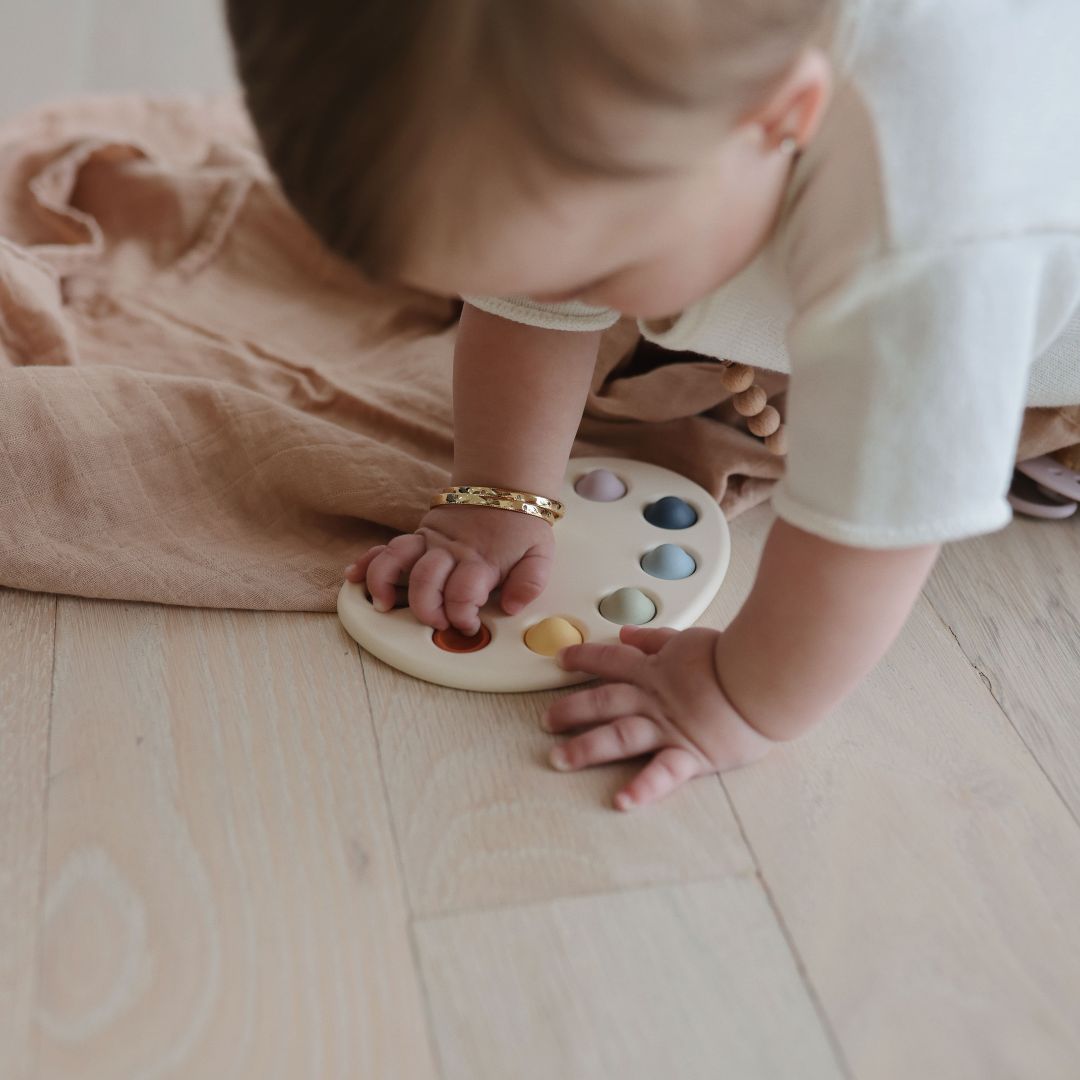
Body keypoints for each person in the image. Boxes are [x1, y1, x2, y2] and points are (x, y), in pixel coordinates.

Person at [225, 0, 1080, 810]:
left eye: (585, 279)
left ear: (786, 116)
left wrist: (738, 698)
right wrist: (497, 491)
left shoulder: (922, 234)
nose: (539, 299)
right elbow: (530, 303)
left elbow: (881, 513)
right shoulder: (669, 97)